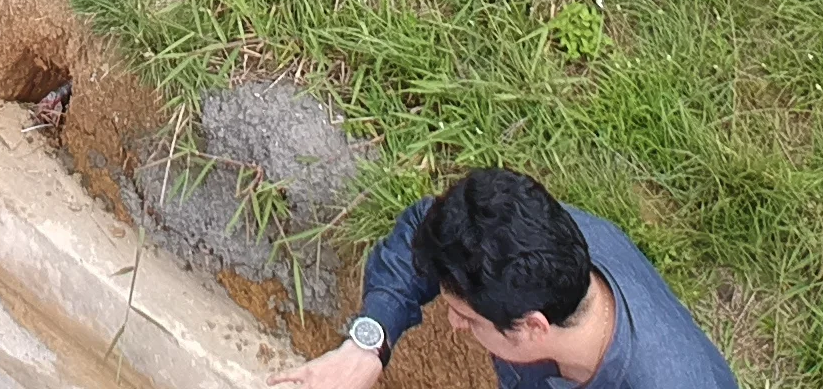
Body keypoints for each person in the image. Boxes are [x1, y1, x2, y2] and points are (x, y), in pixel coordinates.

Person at [269, 166, 737, 389]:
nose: (454, 326)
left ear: (534, 327)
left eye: (467, 318)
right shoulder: (551, 242)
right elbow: (423, 226)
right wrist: (369, 345)